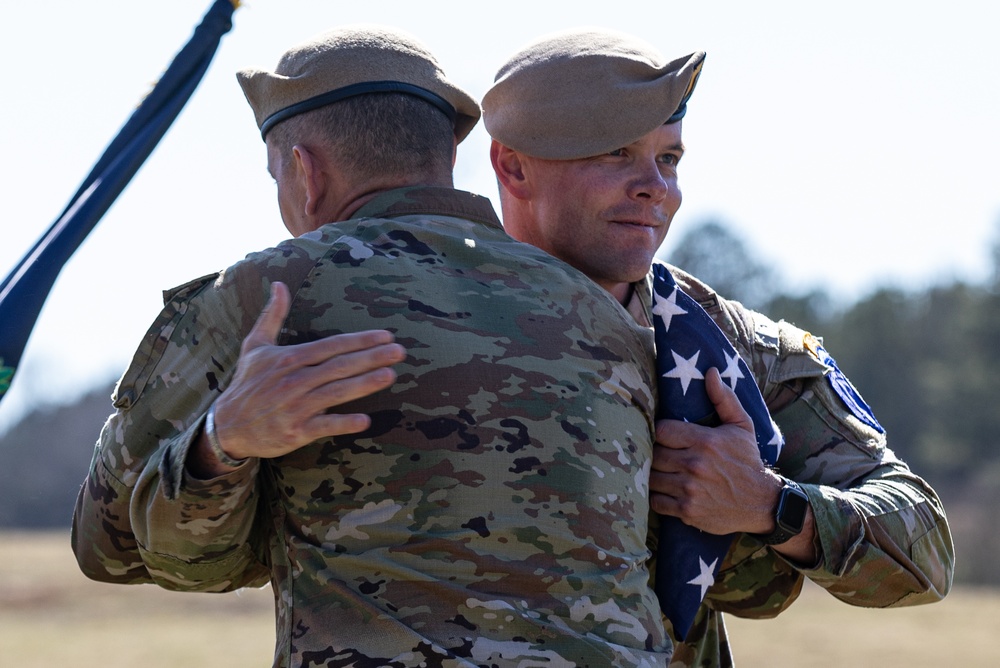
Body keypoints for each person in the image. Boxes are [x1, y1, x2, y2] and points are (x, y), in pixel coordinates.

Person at [72, 25, 679, 667]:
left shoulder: (266, 298)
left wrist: (223, 448)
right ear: (447, 152)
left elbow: (108, 548)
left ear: (305, 172)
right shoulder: (608, 311)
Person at [480, 28, 954, 667]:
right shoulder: (417, 320)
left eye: (669, 158)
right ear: (513, 165)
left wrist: (771, 505)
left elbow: (924, 549)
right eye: (617, 152)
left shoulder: (725, 347)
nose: (655, 187)